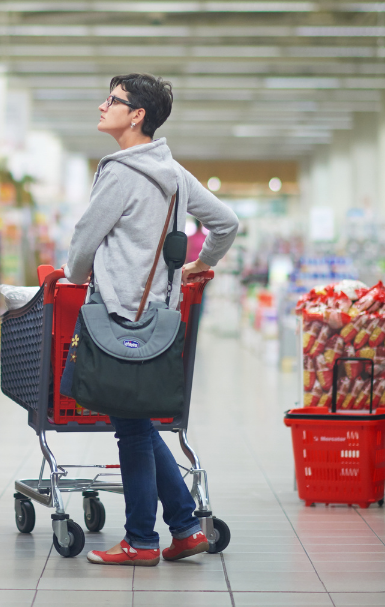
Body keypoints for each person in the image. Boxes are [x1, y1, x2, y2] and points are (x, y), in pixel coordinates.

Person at [62, 73, 239, 567]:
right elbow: (226, 223)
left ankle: (141, 541)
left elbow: (84, 240)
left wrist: (74, 276)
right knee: (137, 422)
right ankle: (183, 527)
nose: (102, 105)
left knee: (132, 430)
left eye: (112, 100)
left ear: (136, 115)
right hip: (158, 319)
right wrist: (200, 267)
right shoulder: (173, 173)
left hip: (117, 316)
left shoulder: (119, 171)